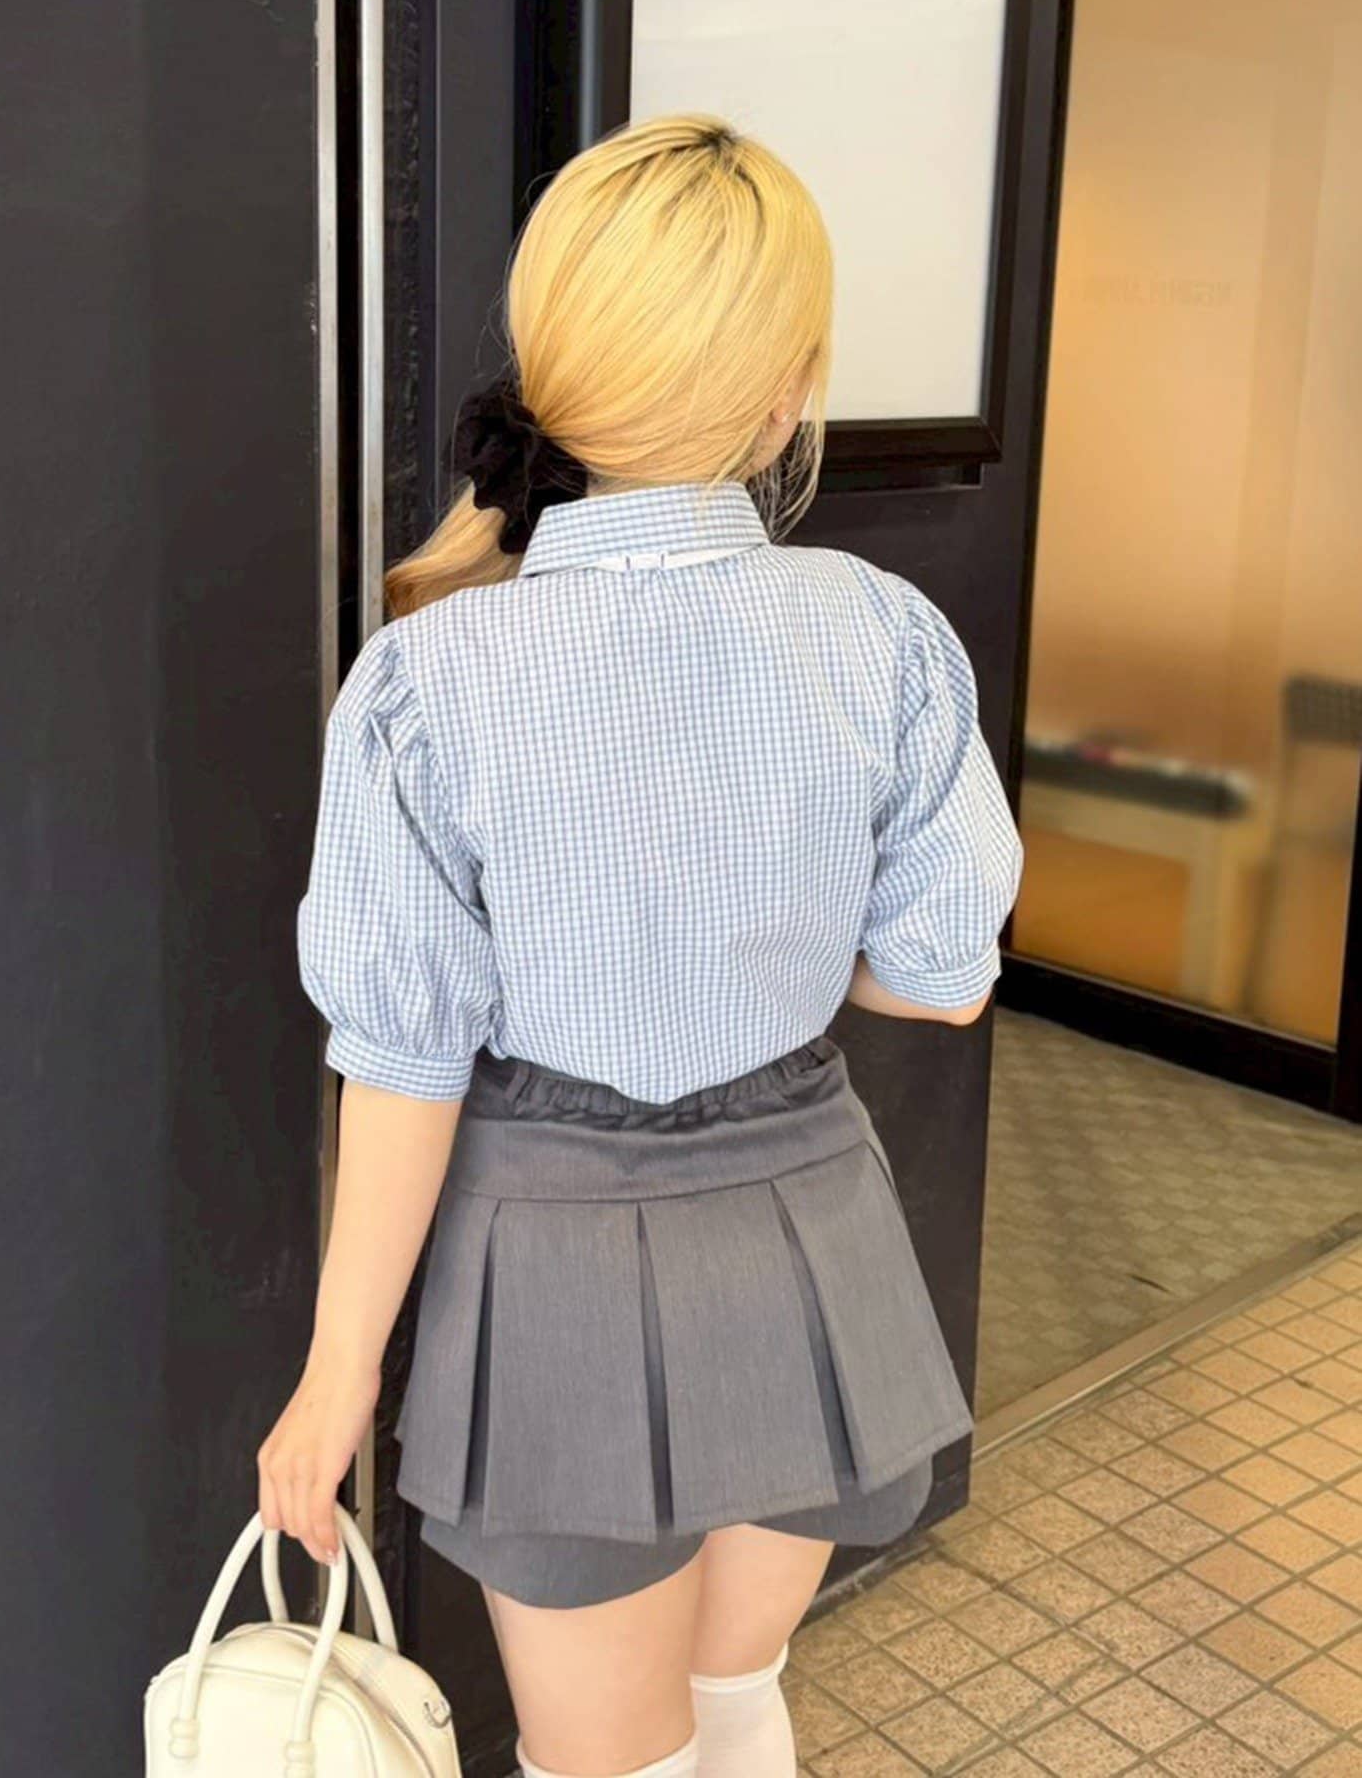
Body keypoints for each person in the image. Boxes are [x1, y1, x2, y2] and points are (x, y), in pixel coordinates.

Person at [257, 112, 1024, 1778]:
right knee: (737, 1701)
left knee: (610, 1762)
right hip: (809, 1233)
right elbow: (945, 982)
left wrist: (336, 1378)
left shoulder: (428, 680)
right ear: (791, 392)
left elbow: (404, 1068)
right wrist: (774, 958)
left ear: (557, 374)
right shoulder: (887, 638)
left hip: (555, 1262)